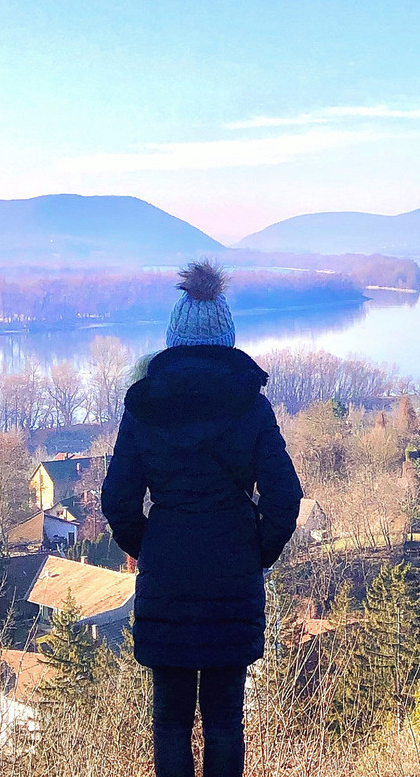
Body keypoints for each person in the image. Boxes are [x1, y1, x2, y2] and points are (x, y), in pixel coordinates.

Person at [102, 260, 303, 777]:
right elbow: (285, 496)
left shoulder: (145, 406)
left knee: (168, 724)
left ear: (171, 341)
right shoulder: (251, 407)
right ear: (227, 340)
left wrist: (151, 546)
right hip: (231, 572)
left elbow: (118, 500)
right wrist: (255, 551)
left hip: (167, 572)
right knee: (224, 723)